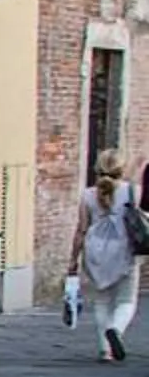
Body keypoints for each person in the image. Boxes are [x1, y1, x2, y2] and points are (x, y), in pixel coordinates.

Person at [73, 154, 140, 361]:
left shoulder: (87, 195)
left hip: (95, 250)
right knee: (126, 300)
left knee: (101, 301)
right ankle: (116, 329)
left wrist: (72, 259)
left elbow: (81, 230)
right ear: (121, 169)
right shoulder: (133, 191)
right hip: (123, 249)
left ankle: (105, 350)